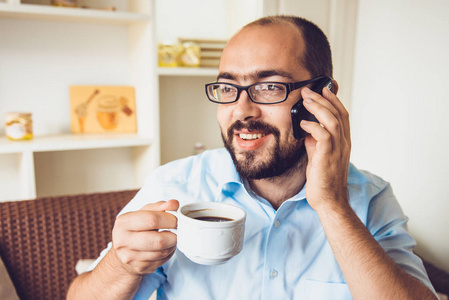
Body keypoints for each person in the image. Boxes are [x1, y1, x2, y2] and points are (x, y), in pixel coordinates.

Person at [67, 15, 437, 300]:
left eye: (269, 87)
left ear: (323, 96)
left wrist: (333, 205)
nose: (242, 111)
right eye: (228, 88)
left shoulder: (369, 198)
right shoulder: (176, 185)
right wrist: (121, 263)